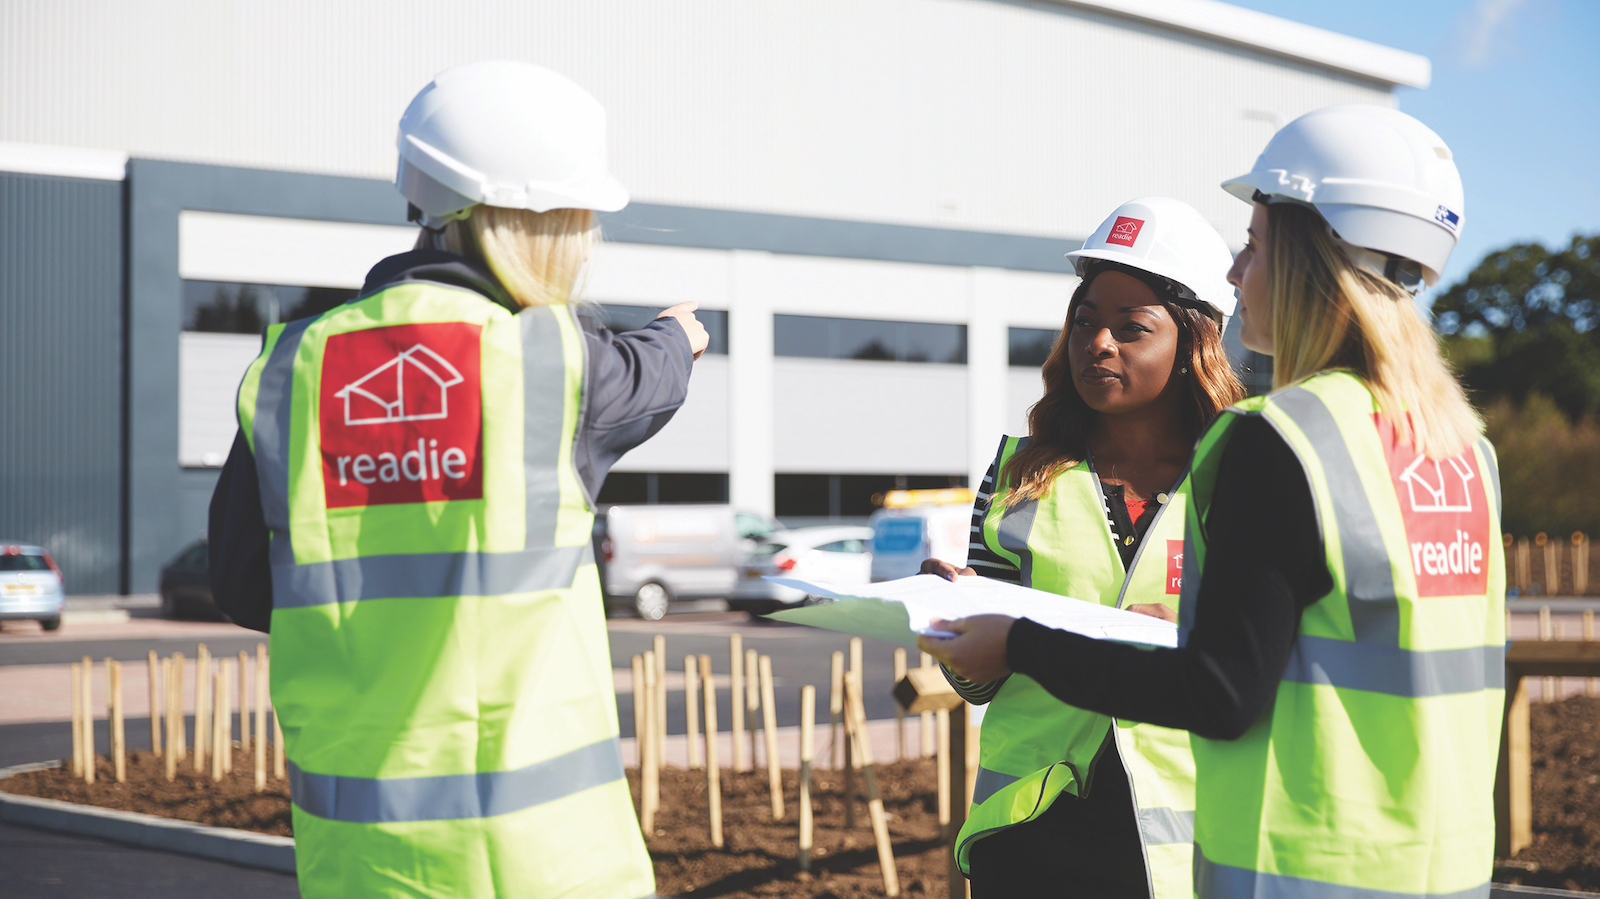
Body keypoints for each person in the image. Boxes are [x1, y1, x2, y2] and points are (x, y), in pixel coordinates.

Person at [920, 105, 1505, 899]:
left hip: (1306, 867)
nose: (1238, 272)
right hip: (1439, 866)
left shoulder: (1280, 439)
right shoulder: (1466, 449)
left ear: (1301, 254)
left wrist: (1024, 642)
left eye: (1255, 246)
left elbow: (1221, 691)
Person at [208, 60, 707, 898]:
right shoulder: (553, 366)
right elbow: (658, 364)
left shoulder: (295, 369)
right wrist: (683, 333)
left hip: (364, 866)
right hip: (547, 865)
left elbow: (242, 586)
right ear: (548, 224)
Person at [921, 197, 1243, 898]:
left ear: (1194, 344)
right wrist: (952, 628)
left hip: (1184, 839)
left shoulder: (1243, 476)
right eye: (1087, 321)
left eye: (1131, 328)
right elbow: (982, 680)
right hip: (1031, 833)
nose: (1098, 343)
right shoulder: (1017, 474)